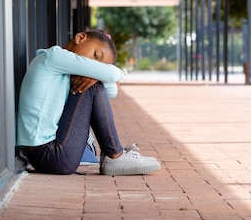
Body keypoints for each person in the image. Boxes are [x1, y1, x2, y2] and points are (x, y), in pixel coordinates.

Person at [16, 30, 160, 175]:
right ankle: (115, 155)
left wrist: (96, 77)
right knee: (93, 87)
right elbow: (112, 75)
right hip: (49, 155)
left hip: (48, 155)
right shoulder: (54, 56)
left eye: (99, 65)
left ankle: (114, 155)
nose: (93, 65)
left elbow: (112, 91)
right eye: (96, 56)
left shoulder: (66, 70)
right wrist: (100, 76)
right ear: (80, 38)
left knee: (94, 85)